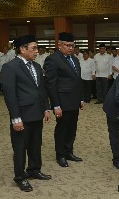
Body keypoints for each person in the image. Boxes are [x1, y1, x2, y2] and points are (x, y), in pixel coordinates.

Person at [1, 35, 52, 192]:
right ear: (22, 49)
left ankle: (34, 170)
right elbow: (10, 96)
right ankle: (20, 177)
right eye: (34, 48)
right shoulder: (10, 67)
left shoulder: (36, 66)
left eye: (37, 48)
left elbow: (41, 89)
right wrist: (15, 118)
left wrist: (46, 108)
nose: (37, 51)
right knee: (20, 147)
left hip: (37, 113)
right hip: (22, 116)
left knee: (36, 144)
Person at [43, 32, 84, 167]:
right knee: (62, 129)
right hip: (62, 102)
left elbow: (78, 81)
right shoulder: (52, 60)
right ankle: (60, 155)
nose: (71, 48)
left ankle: (68, 151)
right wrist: (55, 105)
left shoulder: (75, 59)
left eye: (72, 45)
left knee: (72, 128)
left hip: (74, 101)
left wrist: (81, 99)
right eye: (67, 45)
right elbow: (51, 84)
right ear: (59, 45)